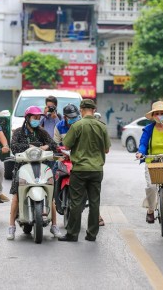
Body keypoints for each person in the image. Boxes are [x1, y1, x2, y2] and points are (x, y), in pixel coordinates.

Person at [58, 99, 111, 242]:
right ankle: (92, 234)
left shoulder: (77, 126)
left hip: (80, 169)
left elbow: (67, 146)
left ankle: (72, 234)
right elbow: (106, 149)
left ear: (81, 110)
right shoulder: (102, 127)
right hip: (96, 170)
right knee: (94, 202)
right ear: (94, 110)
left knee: (76, 202)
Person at [7, 106, 61, 240]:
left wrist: (46, 146)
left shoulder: (41, 132)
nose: (36, 120)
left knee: (51, 197)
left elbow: (54, 145)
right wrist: (28, 147)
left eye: (38, 118)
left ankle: (54, 225)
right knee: (16, 197)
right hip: (22, 167)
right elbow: (13, 147)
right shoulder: (19, 132)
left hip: (41, 166)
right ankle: (11, 226)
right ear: (27, 118)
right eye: (34, 118)